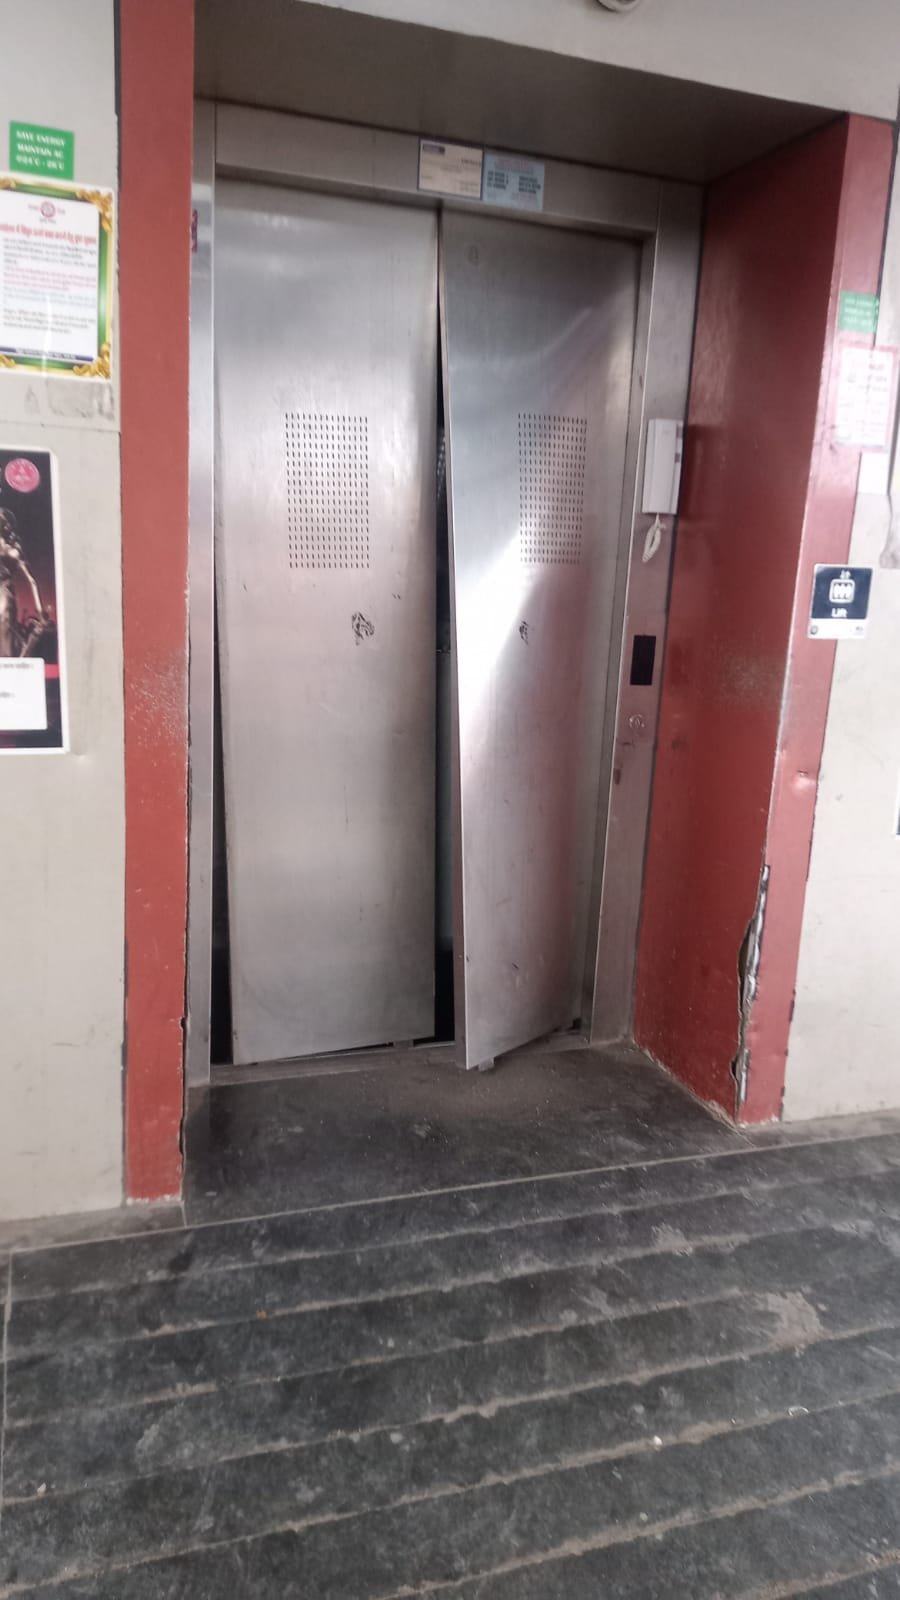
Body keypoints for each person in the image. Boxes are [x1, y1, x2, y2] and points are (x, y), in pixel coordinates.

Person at [0, 508, 45, 657]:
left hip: (4, 591)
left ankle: (6, 660)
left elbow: (31, 580)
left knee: (3, 619)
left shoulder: (14, 551)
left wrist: (40, 612)